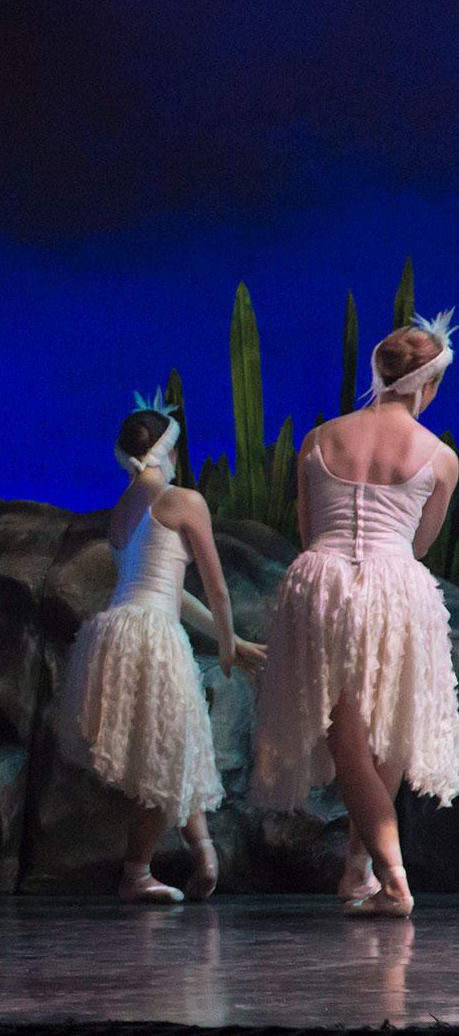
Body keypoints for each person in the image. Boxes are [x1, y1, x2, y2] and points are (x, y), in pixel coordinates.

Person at [252, 313, 459, 917]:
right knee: (384, 730)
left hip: (325, 582)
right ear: (430, 384)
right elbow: (420, 545)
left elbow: (308, 527)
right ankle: (389, 876)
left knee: (354, 739)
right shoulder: (441, 457)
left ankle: (362, 869)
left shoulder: (319, 439)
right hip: (398, 587)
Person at [55, 395, 265, 902]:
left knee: (172, 743)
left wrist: (227, 638)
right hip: (151, 635)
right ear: (169, 450)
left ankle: (202, 854)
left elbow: (172, 590)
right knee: (161, 751)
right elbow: (215, 588)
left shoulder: (123, 510)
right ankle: (136, 872)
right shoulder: (183, 501)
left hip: (119, 628)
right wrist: (230, 644)